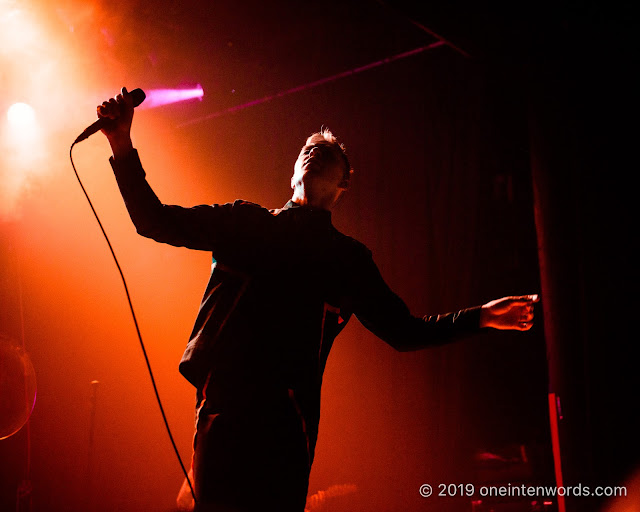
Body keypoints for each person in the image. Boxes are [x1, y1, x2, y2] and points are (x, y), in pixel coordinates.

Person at [98, 87, 539, 512]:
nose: (315, 147)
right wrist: (122, 145)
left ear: (343, 183)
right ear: (293, 173)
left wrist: (480, 317)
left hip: (285, 429)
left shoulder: (347, 258)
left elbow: (404, 331)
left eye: (328, 151)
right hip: (224, 414)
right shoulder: (245, 221)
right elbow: (154, 220)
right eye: (308, 147)